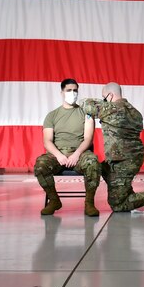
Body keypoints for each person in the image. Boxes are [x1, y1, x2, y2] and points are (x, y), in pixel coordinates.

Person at [78, 82, 144, 212]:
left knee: (118, 205)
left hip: (123, 161)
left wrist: (101, 102)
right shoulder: (135, 112)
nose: (104, 100)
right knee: (101, 168)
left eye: (104, 97)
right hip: (132, 157)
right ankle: (124, 190)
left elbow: (84, 103)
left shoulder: (110, 109)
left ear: (110, 95)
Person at [35, 78, 101, 217]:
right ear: (62, 92)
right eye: (69, 90)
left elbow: (88, 138)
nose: (73, 93)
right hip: (57, 154)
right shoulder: (52, 115)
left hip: (80, 153)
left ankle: (89, 203)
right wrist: (59, 155)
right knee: (40, 165)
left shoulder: (86, 113)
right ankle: (54, 201)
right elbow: (47, 141)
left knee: (93, 162)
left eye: (75, 90)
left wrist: (76, 154)